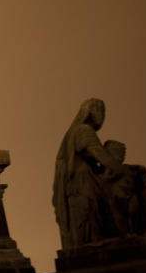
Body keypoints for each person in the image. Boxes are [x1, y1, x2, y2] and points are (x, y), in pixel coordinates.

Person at [52, 98, 125, 249]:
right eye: (99, 111)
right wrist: (122, 170)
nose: (102, 115)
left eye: (104, 112)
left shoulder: (74, 132)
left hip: (85, 179)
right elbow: (100, 155)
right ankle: (93, 241)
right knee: (90, 211)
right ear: (89, 112)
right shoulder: (83, 130)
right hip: (82, 180)